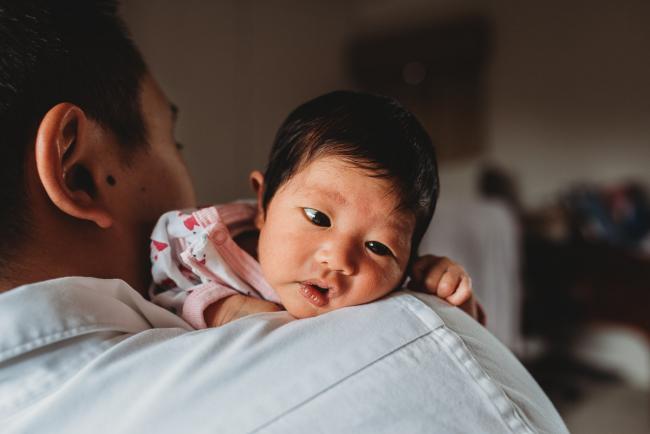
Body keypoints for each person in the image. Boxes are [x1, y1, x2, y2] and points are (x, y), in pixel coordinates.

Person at [0, 1, 569, 433]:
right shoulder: (426, 351)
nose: (338, 258)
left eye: (378, 248)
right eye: (177, 140)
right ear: (80, 173)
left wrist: (437, 286)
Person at [149, 90, 480, 328]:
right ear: (263, 202)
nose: (338, 259)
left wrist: (451, 298)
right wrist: (220, 310)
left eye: (377, 247)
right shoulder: (199, 246)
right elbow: (162, 293)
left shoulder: (399, 286)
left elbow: (467, 340)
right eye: (318, 218)